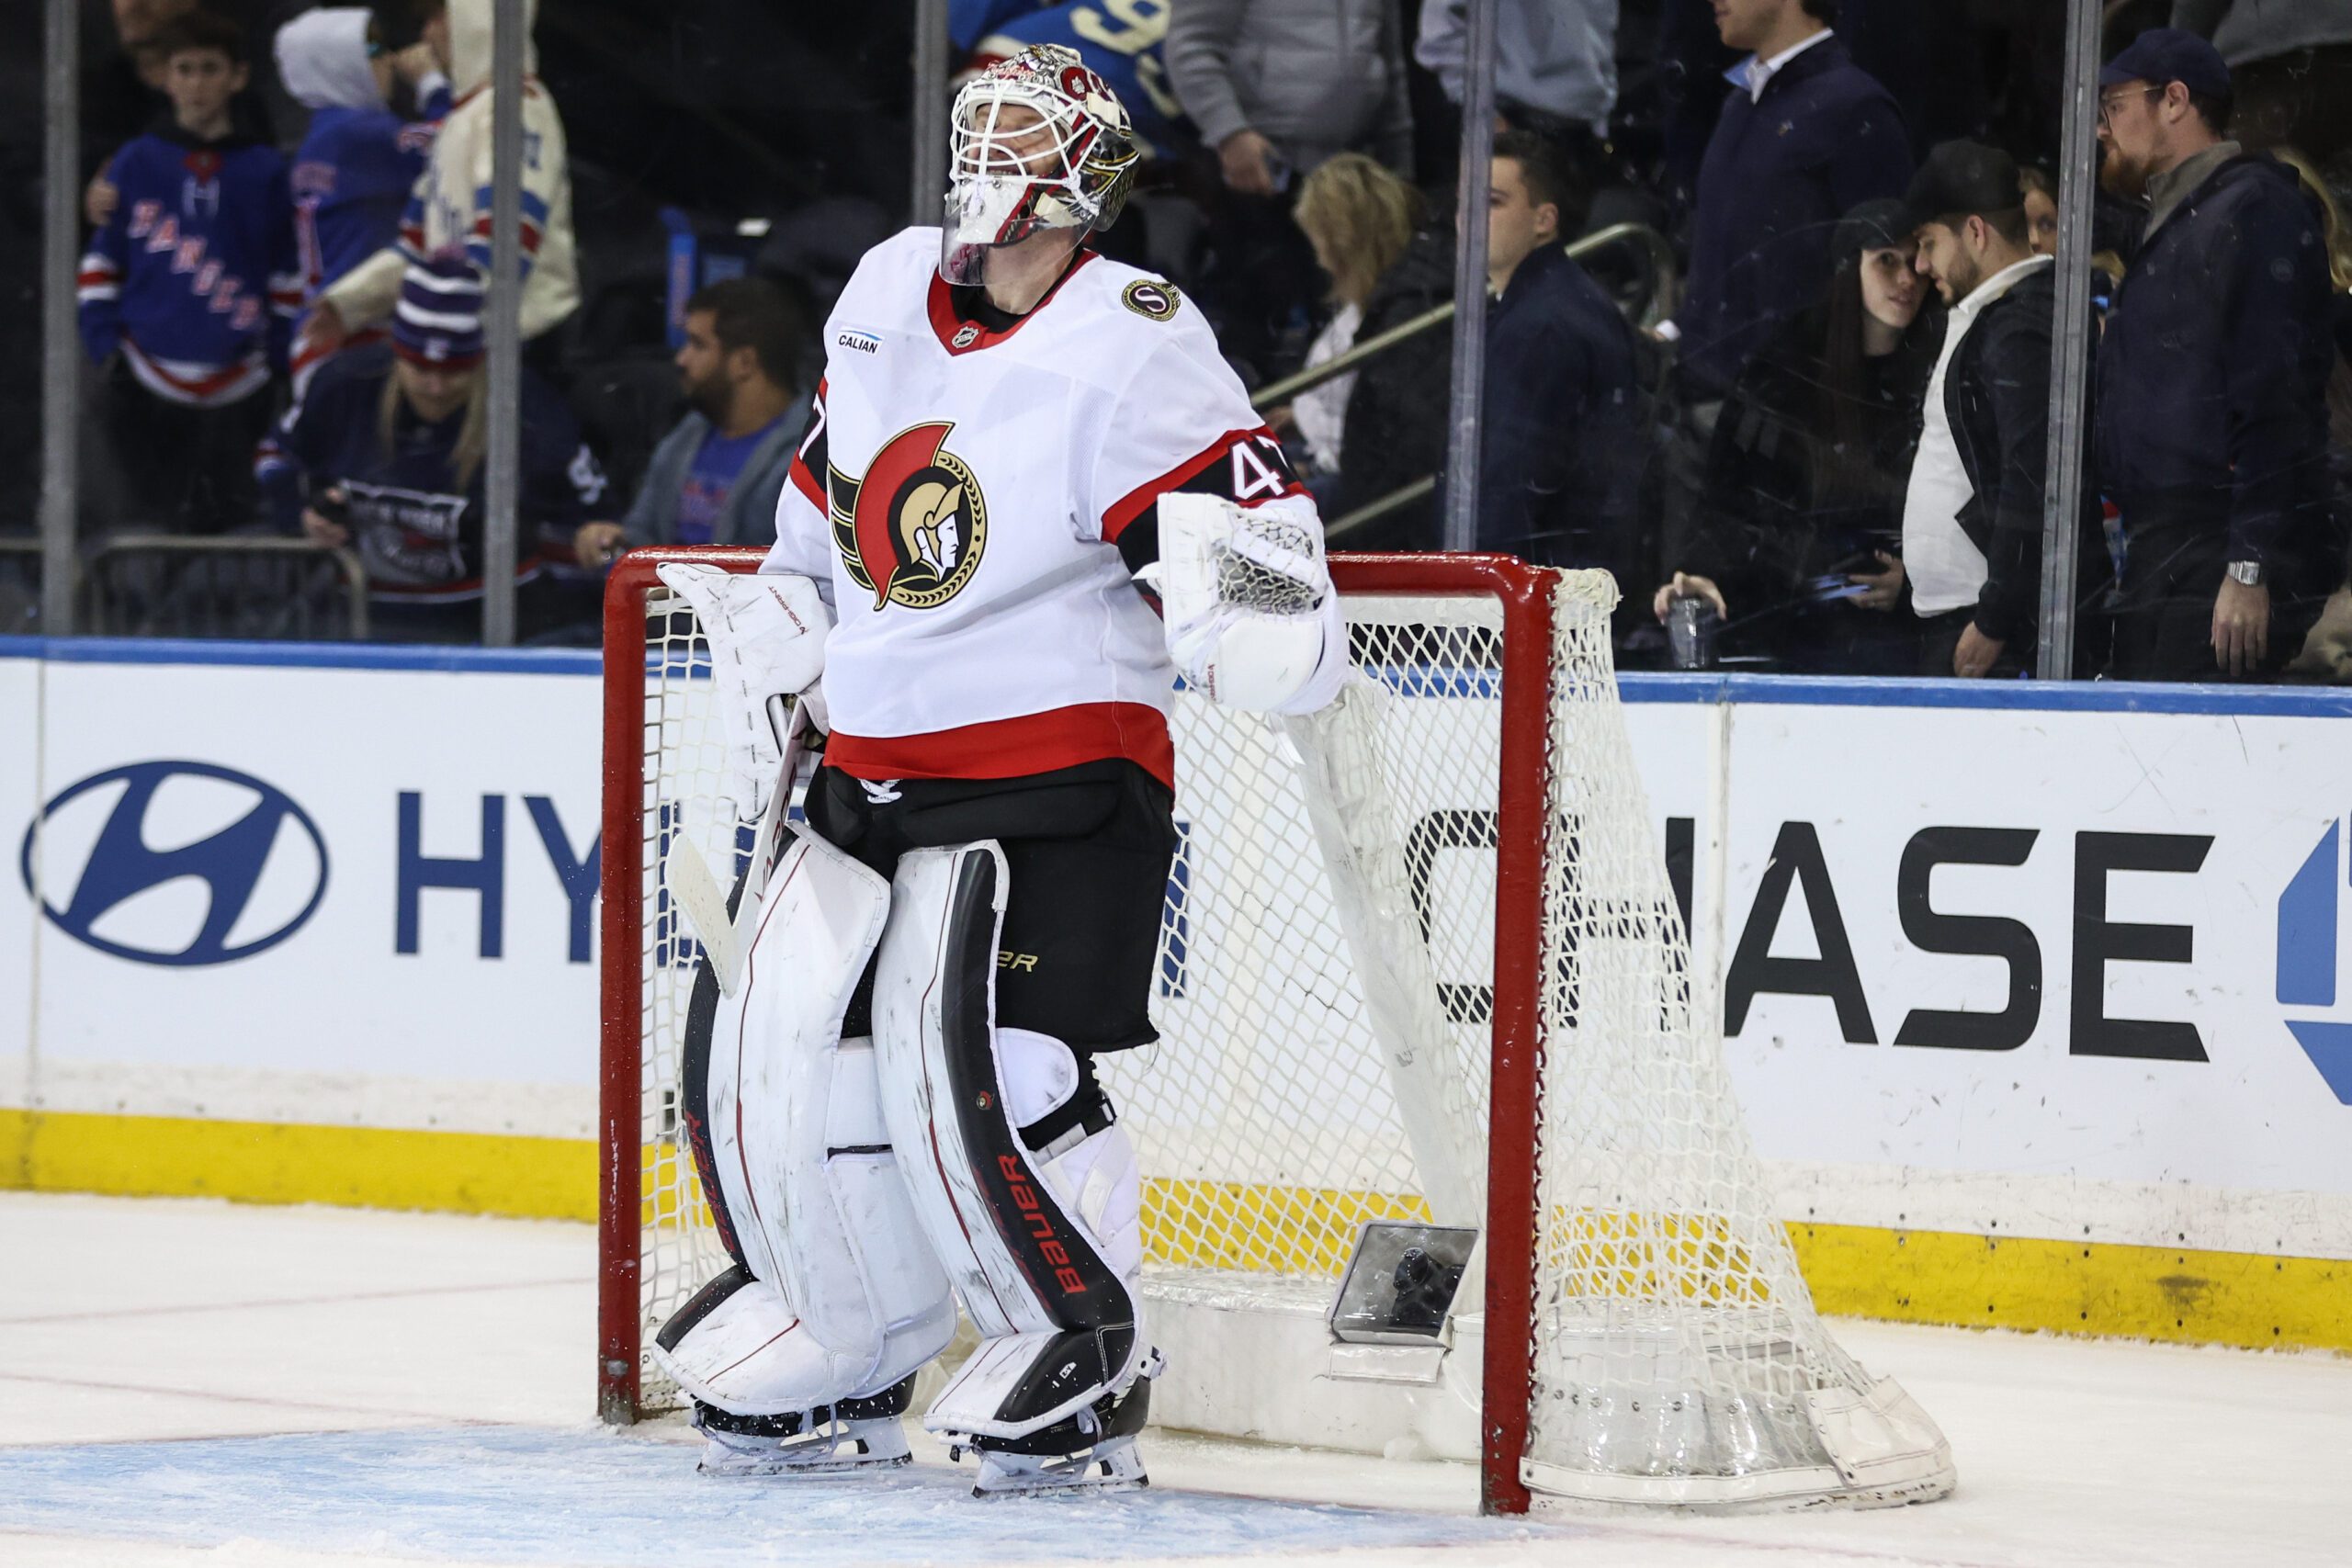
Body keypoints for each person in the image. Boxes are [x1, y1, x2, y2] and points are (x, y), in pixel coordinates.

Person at [647, 44, 1349, 1497]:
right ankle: (853, 1335)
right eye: (981, 124)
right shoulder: (885, 289)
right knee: (797, 1065)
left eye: (1026, 128)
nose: (993, 151)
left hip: (1060, 778)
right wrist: (789, 607)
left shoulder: (1137, 333)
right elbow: (827, 500)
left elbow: (1243, 536)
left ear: (1091, 170)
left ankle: (1085, 1340)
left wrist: (1254, 613)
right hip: (870, 770)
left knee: (1000, 1069)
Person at [2096, 28, 2335, 680]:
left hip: (2217, 549)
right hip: (2169, 551)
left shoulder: (2253, 209)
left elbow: (2275, 397)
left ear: (2174, 101)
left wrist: (2249, 562)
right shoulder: (2178, 220)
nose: (2101, 129)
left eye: (2113, 106)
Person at [1653, 197, 1938, 672]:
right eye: (1886, 260)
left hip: (1902, 638)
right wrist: (1702, 573)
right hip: (1789, 626)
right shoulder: (1786, 369)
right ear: (1851, 269)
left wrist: (1914, 583)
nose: (1907, 279)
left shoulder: (1943, 366)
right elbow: (1731, 494)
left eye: (1916, 262)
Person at [254, 258, 606, 641]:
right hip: (358, 621)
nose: (435, 387)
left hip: (495, 630)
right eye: (420, 367)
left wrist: (596, 534)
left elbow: (595, 515)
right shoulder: (344, 385)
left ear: (480, 360)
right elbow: (274, 459)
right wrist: (302, 515)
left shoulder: (526, 406)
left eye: (454, 370)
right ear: (397, 353)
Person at [77, 10, 300, 535]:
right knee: (145, 520)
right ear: (165, 77)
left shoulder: (266, 170)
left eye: (209, 69)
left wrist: (278, 354)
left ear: (238, 76)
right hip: (143, 377)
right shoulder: (134, 163)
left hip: (242, 382)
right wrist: (102, 341)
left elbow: (286, 272)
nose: (197, 84)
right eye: (185, 69)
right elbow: (103, 260)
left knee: (232, 523)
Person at [297, 0, 577, 378]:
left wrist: (440, 316)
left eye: (436, 17)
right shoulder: (462, 119)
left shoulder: (517, 107)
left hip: (520, 347)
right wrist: (348, 303)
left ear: (476, 17)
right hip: (464, 338)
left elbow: (507, 241)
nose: (427, 35)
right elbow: (416, 247)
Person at [1670, 0, 1913, 402]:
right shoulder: (1739, 102)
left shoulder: (1857, 109)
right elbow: (1723, 263)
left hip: (1787, 425)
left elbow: (1890, 289)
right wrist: (1673, 332)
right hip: (1702, 399)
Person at [1894, 141, 2058, 680]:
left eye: (1928, 244)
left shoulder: (2017, 327)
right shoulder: (1991, 317)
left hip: (1989, 630)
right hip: (1965, 618)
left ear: (1975, 232)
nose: (1920, 266)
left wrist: (1995, 618)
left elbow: (2031, 476)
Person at [1477, 129, 1641, 566]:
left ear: (1543, 220)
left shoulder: (1540, 326)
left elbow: (1512, 485)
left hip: (1536, 591)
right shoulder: (1558, 300)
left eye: (1491, 202)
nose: (1467, 218)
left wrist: (1479, 589)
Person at [574, 277, 808, 566]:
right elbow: (643, 532)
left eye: (698, 345)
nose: (681, 359)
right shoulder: (690, 431)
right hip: (664, 604)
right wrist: (611, 540)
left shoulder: (808, 459)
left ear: (744, 363)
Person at [274, 6, 447, 389]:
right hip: (352, 339)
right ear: (337, 64)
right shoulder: (358, 134)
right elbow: (454, 144)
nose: (386, 58)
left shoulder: (325, 132)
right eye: (369, 49)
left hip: (328, 334)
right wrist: (432, 82)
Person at [1283, 153, 1421, 490]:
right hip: (1317, 451)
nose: (1316, 255)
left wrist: (1305, 469)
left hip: (1346, 476)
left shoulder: (1392, 318)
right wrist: (1299, 414)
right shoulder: (1353, 308)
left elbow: (1365, 440)